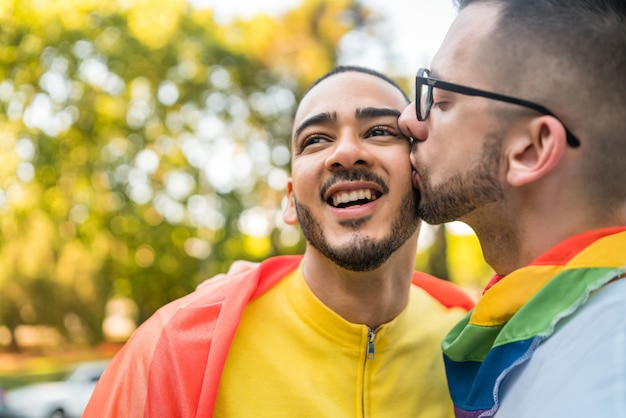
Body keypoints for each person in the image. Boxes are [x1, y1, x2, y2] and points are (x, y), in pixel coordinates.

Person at [84, 66, 474, 418]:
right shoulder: (172, 349)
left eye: (378, 131)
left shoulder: (477, 344)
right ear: (291, 200)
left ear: (422, 172)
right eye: (316, 140)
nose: (346, 152)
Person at [398, 0, 626, 417]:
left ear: (529, 150)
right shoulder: (561, 337)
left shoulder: (605, 369)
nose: (408, 120)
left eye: (441, 98)